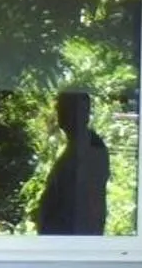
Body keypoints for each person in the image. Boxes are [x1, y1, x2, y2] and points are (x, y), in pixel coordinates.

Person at [34, 89, 110, 236]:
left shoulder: (91, 149)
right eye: (59, 109)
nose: (60, 116)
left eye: (64, 110)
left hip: (73, 242)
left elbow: (88, 204)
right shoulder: (77, 147)